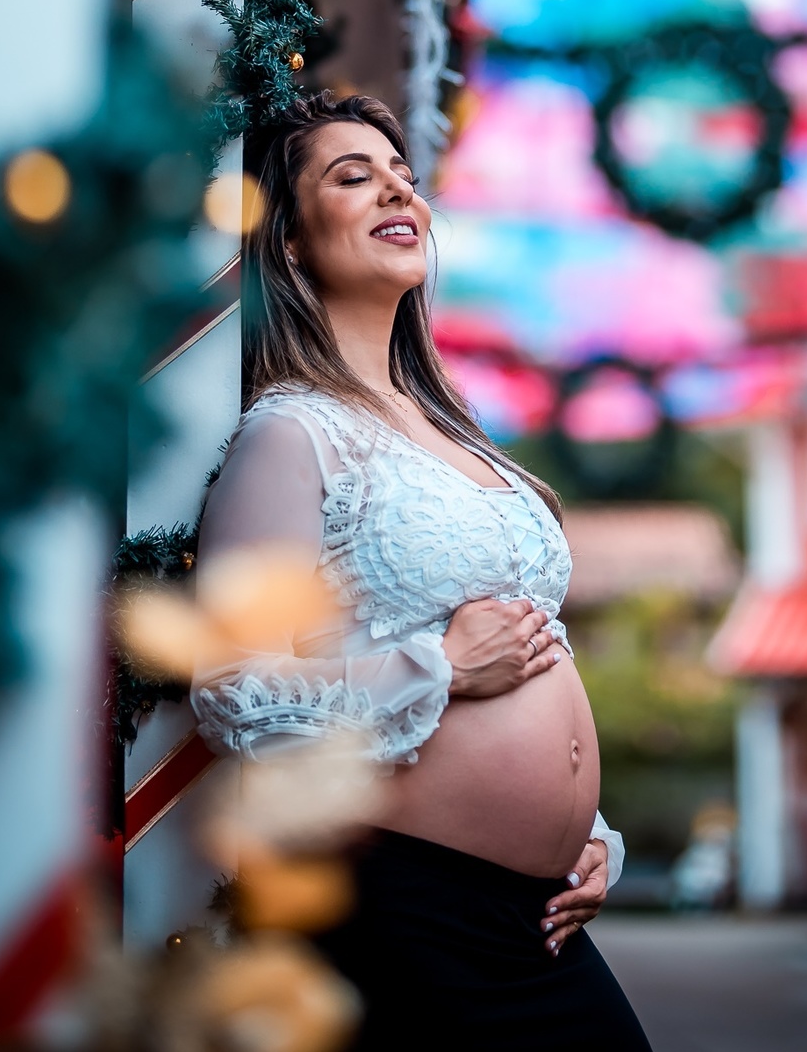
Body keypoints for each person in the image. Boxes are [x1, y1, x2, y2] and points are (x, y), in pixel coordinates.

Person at [191, 91, 650, 1051]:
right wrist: (438, 667)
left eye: (401, 174)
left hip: (538, 913)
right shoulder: (291, 433)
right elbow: (232, 692)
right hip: (410, 907)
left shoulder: (452, 432)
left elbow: (531, 648)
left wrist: (588, 835)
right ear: (288, 244)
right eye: (351, 177)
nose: (397, 189)